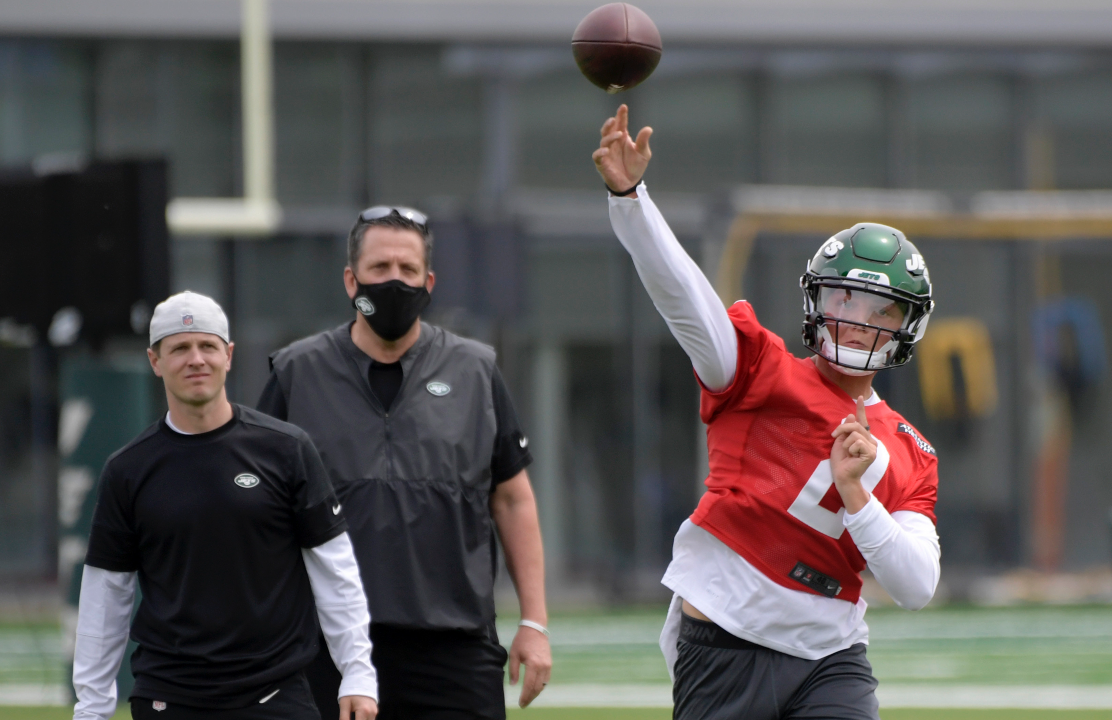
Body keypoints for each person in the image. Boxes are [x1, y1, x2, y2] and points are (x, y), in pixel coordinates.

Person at [593, 104, 942, 720]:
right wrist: (631, 199)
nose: (858, 322)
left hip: (832, 652)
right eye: (844, 298)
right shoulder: (758, 370)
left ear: (905, 327)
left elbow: (916, 587)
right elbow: (684, 299)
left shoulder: (910, 448)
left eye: (880, 310)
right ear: (816, 300)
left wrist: (857, 497)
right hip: (727, 634)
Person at [256, 207, 551, 720]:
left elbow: (512, 497)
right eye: (379, 268)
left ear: (428, 281)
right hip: (330, 646)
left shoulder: (476, 370)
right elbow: (258, 511)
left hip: (454, 644)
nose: (394, 280)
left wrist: (536, 622)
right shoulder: (297, 372)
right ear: (352, 280)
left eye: (407, 270)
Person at [71, 291, 378, 720]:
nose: (196, 359)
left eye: (207, 346)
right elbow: (106, 595)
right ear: (155, 361)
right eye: (179, 348)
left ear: (228, 355)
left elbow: (335, 570)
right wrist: (91, 708)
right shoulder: (127, 470)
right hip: (170, 698)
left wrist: (358, 674)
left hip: (275, 696)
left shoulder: (287, 449)